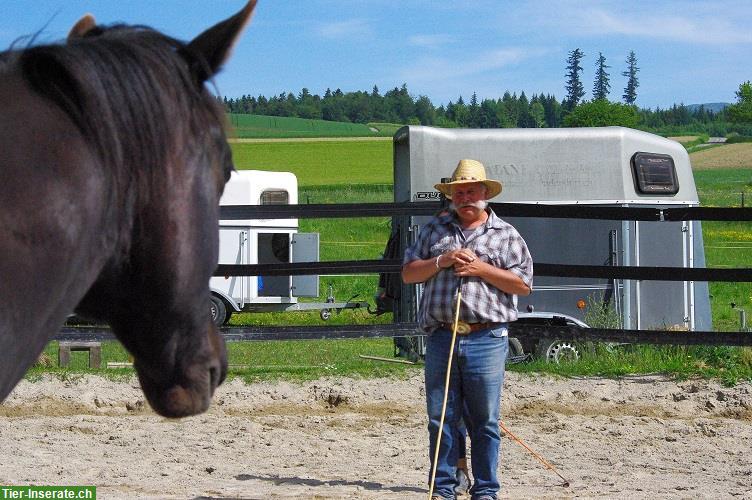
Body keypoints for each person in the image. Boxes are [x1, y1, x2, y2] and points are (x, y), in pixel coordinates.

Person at [401, 159, 533, 500]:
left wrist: (480, 267)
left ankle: (486, 489)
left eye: (471, 191)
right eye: (458, 192)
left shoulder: (506, 235)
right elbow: (408, 273)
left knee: (484, 421)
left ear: (485, 193)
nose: (464, 198)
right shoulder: (434, 230)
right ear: (450, 196)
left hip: (486, 336)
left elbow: (522, 285)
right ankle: (443, 488)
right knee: (441, 416)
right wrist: (441, 261)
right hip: (442, 334)